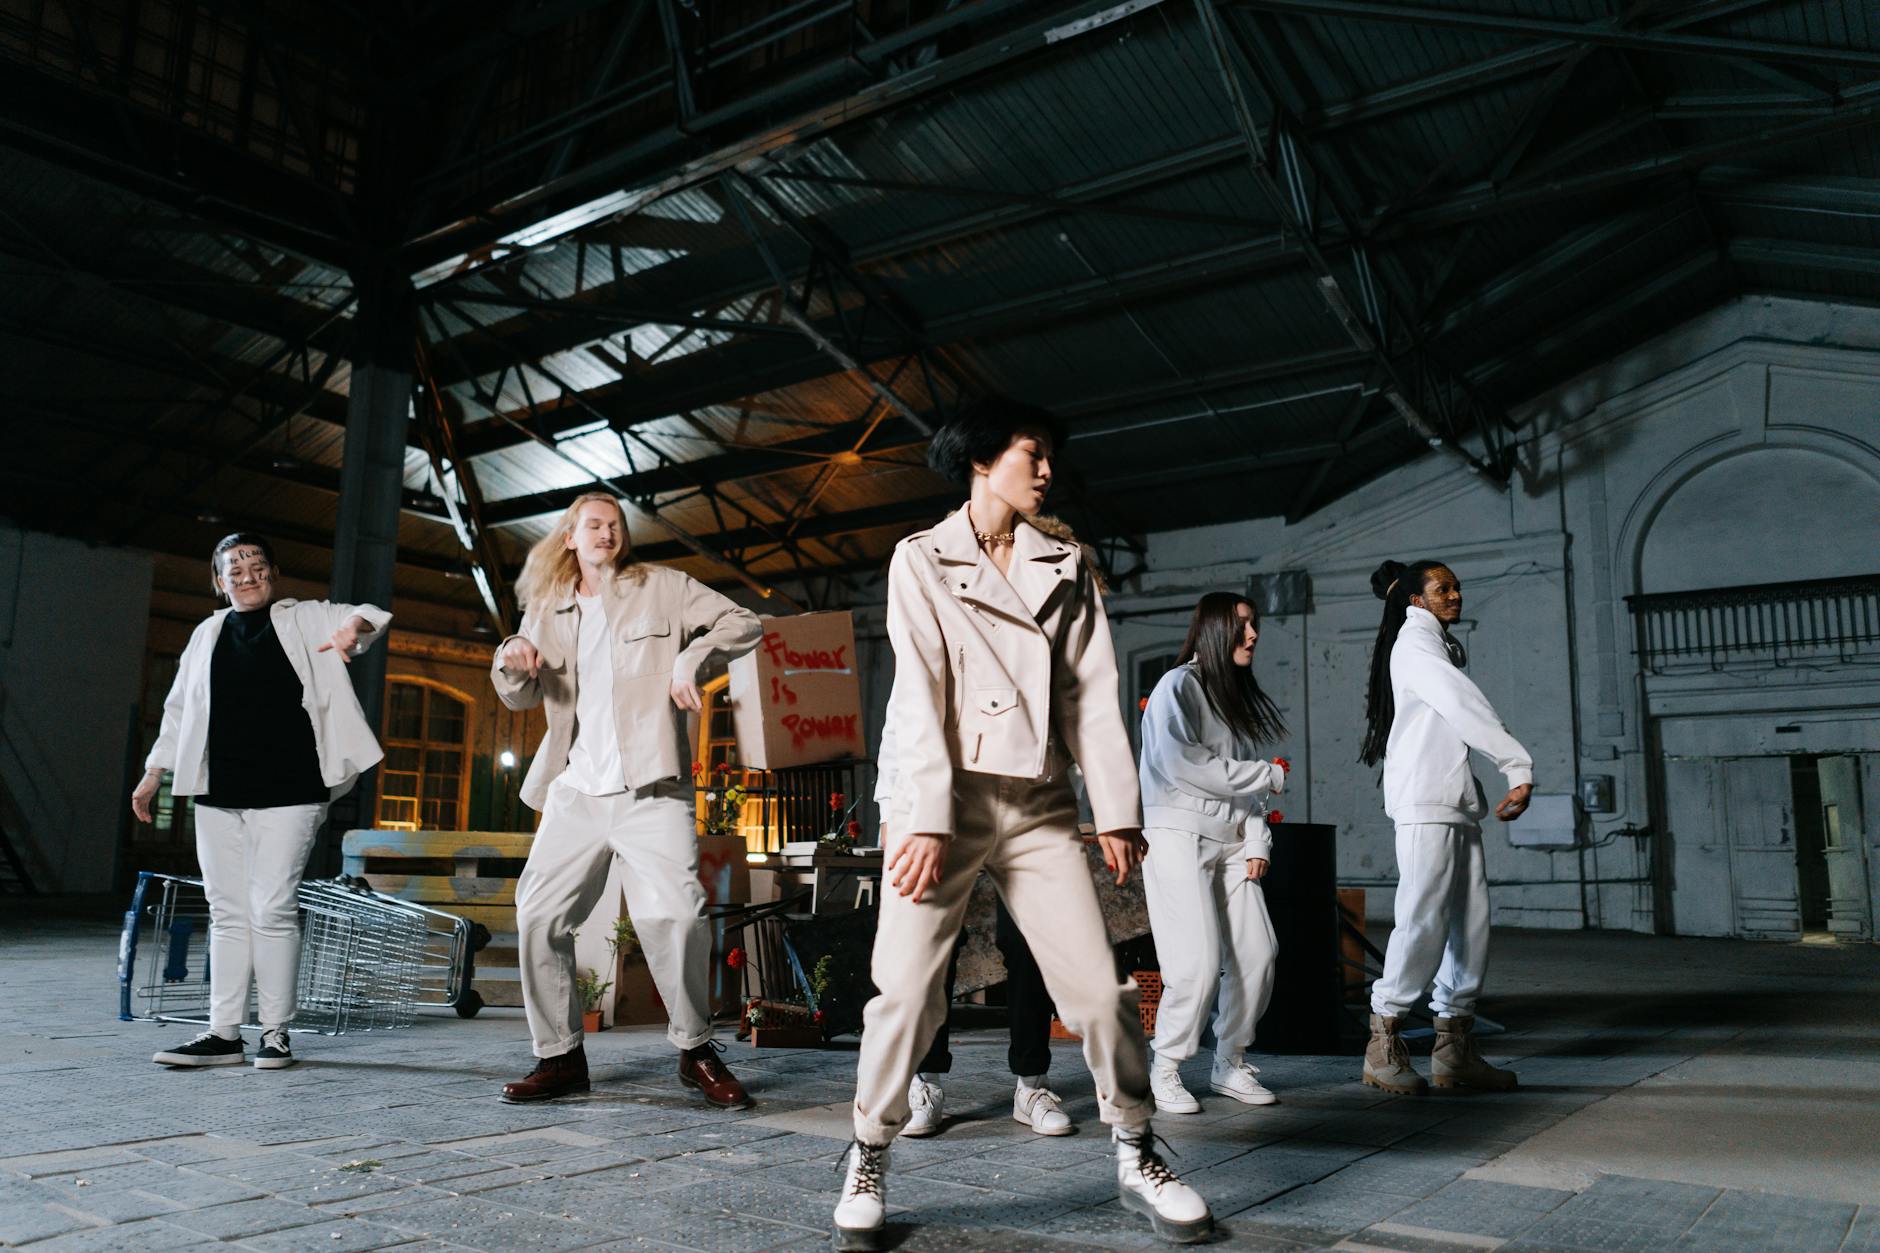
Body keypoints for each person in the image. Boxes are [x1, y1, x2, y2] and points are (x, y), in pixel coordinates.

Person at [833, 400, 1213, 1250]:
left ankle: (1138, 1148)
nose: (1046, 471)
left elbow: (1089, 690)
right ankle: (867, 1152)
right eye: (1031, 454)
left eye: (1048, 458)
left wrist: (1115, 810)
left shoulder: (1066, 560)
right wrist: (926, 818)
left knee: (1102, 994)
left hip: (1039, 804)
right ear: (980, 459)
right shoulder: (920, 558)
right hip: (946, 801)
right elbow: (919, 693)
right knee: (904, 991)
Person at [492, 492, 762, 1110]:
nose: (606, 532)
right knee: (538, 916)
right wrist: (510, 657)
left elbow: (745, 622)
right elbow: (519, 698)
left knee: (678, 915)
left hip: (652, 788)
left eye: (614, 524)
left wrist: (692, 657)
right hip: (575, 789)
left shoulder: (663, 586)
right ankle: (559, 1058)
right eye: (593, 524)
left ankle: (695, 1051)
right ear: (570, 536)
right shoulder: (547, 606)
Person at [134, 533, 390, 1070]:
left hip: (292, 786)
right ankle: (223, 1034)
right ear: (218, 581)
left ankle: (276, 1033)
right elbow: (179, 708)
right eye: (235, 570)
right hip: (218, 788)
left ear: (273, 573)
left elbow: (368, 613)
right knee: (226, 911)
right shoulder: (206, 634)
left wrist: (352, 629)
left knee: (271, 908)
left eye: (257, 567)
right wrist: (154, 771)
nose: (247, 576)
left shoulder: (306, 617)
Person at [1358, 559, 1532, 1095]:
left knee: (1469, 924)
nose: (1455, 594)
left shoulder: (1438, 645)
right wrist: (1515, 763)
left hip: (1452, 799)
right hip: (1425, 799)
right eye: (1442, 588)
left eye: (1457, 586)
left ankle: (1454, 1048)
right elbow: (1462, 706)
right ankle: (1382, 1041)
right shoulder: (1414, 645)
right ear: (1415, 599)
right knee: (1423, 920)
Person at [875, 713, 1071, 1139]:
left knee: (1029, 939)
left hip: (1021, 805)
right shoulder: (936, 643)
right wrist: (890, 810)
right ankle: (924, 1081)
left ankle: (1032, 1085)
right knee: (934, 941)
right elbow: (901, 720)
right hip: (941, 805)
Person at [1138, 592, 1289, 1113]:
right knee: (1196, 965)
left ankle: (1230, 1062)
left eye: (1254, 625)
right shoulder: (1176, 686)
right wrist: (1267, 773)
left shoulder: (1231, 695)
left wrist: (1257, 839)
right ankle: (1168, 1066)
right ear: (1214, 630)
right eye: (1243, 625)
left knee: (1257, 953)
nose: (1253, 635)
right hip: (1178, 837)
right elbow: (1185, 766)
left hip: (1229, 844)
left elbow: (1241, 790)